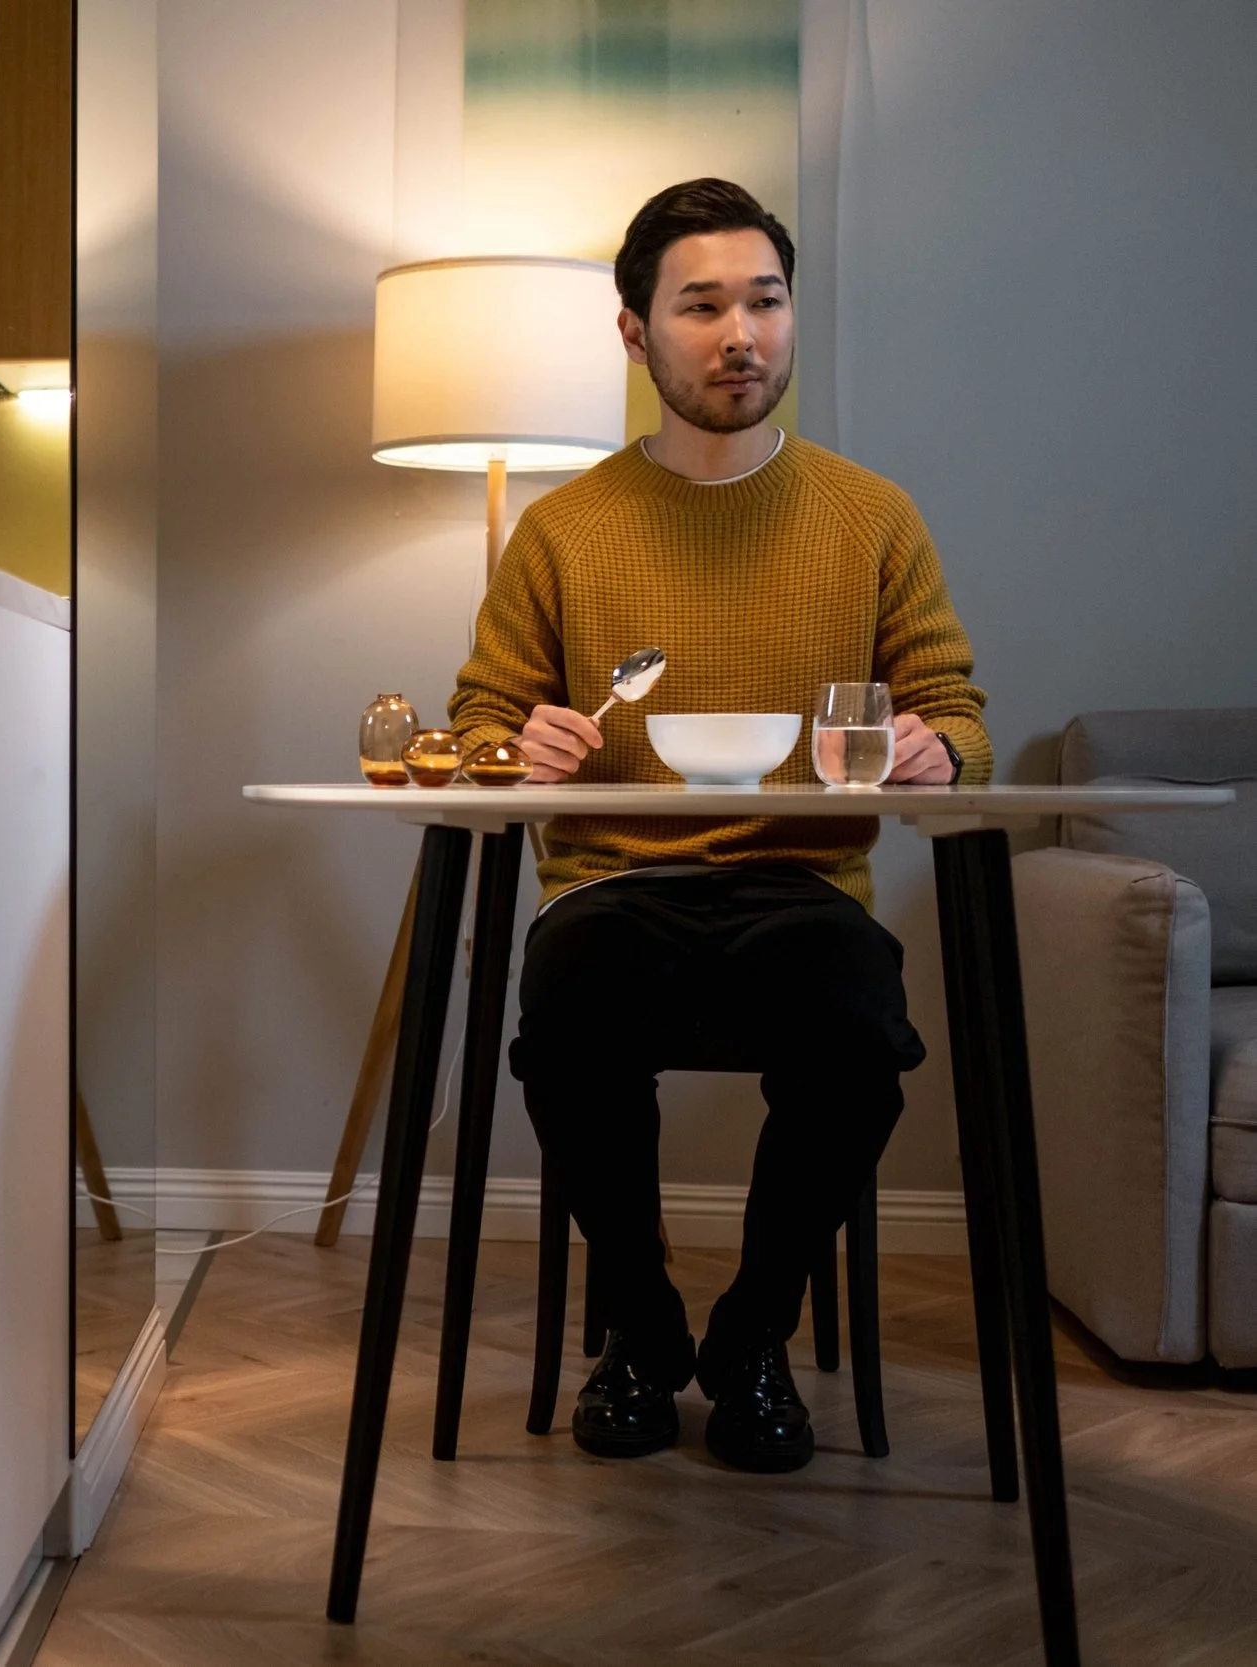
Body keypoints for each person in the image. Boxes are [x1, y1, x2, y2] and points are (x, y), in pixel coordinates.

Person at [445, 177, 989, 1473]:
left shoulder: (873, 516)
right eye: (702, 306)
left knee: (860, 1021)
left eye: (766, 300)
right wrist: (516, 747)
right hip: (609, 886)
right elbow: (478, 723)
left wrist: (940, 750)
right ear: (635, 332)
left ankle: (753, 1333)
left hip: (805, 885)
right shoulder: (563, 530)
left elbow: (956, 709)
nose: (742, 334)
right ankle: (640, 1329)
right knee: (568, 1005)